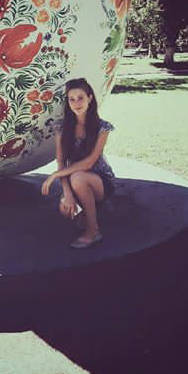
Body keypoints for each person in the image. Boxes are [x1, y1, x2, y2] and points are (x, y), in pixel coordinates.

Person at [41, 78, 116, 249]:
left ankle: (93, 230)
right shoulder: (62, 128)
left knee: (78, 177)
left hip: (100, 182)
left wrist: (54, 176)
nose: (76, 103)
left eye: (81, 98)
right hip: (74, 179)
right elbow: (61, 162)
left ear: (90, 98)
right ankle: (89, 210)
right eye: (72, 99)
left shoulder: (102, 127)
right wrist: (67, 193)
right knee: (65, 210)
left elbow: (89, 163)